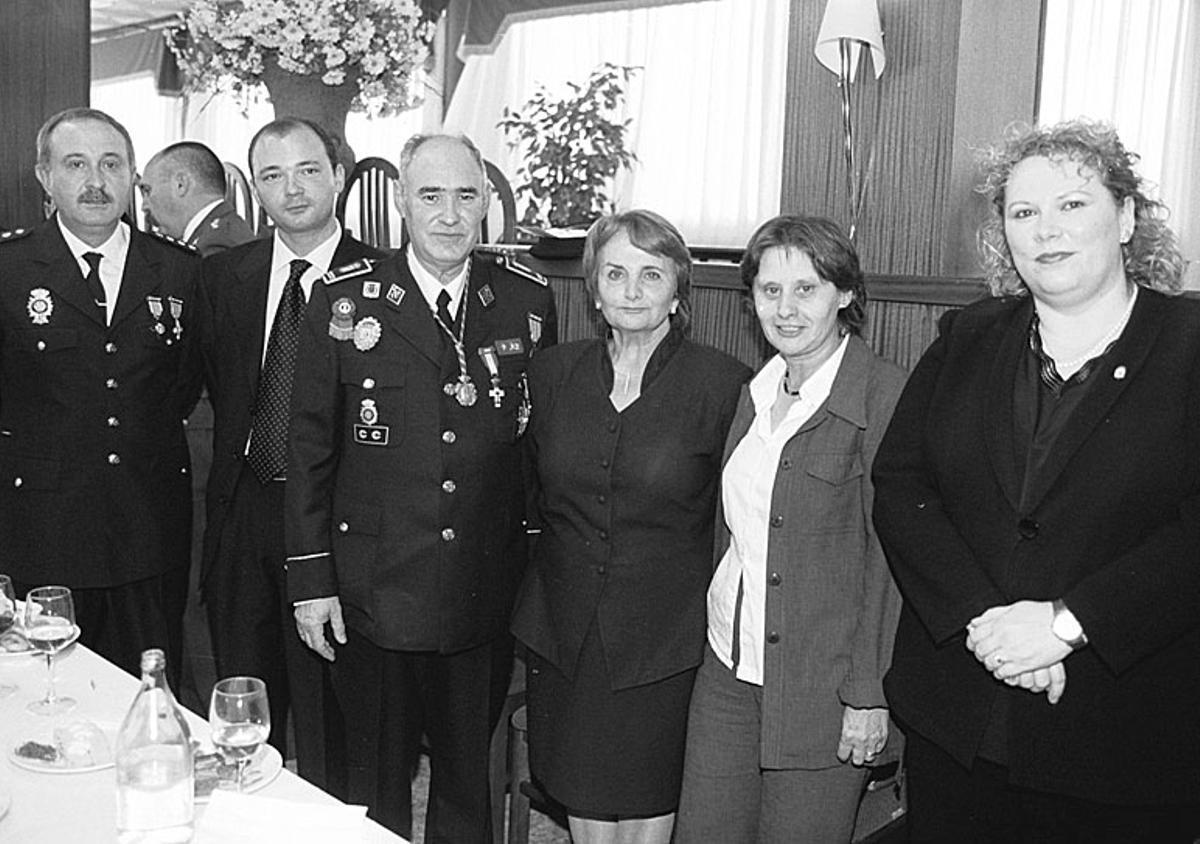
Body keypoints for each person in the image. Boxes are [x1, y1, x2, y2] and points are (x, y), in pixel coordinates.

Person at [872, 119, 1200, 842]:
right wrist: (987, 625)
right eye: (1024, 212)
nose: (1047, 229)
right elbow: (901, 486)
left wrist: (1064, 624)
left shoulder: (1188, 346)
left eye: (1072, 205)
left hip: (1123, 742)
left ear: (1127, 218)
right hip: (958, 718)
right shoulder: (968, 336)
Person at [284, 132, 557, 842]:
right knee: (374, 782)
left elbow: (535, 452)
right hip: (374, 593)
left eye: (466, 195)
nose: (449, 213)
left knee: (469, 786)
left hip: (480, 591)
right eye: (431, 195)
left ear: (489, 205)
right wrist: (312, 582)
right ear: (400, 202)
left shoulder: (525, 301)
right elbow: (309, 451)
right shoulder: (344, 303)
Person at [511, 210, 749, 843]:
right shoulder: (552, 374)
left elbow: (735, 520)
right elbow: (529, 493)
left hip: (665, 639)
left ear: (678, 289)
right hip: (564, 631)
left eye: (652, 274)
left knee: (648, 799)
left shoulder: (724, 386)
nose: (633, 290)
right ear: (593, 288)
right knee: (584, 795)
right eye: (615, 273)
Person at [674, 215, 906, 843]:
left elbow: (891, 565)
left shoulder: (881, 397)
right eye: (769, 291)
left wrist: (867, 695)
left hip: (823, 687)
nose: (787, 309)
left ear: (846, 294)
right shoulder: (755, 390)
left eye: (807, 289)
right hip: (728, 668)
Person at [196, 118, 383, 795]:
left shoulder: (383, 281)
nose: (291, 188)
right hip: (245, 507)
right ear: (254, 189)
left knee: (331, 710)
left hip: (338, 519)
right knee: (244, 706)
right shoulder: (224, 278)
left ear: (339, 175)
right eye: (271, 176)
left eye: (307, 170)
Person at [0, 107, 202, 681]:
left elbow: (182, 386)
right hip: (43, 532)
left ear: (132, 174)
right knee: (45, 702)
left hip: (148, 528)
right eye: (76, 164)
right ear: (45, 177)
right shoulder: (9, 270)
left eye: (111, 164)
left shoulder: (179, 272)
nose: (96, 181)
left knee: (149, 695)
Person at [139, 141, 256, 256]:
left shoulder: (215, 247)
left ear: (180, 185)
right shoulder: (220, 232)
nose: (144, 206)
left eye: (147, 191)